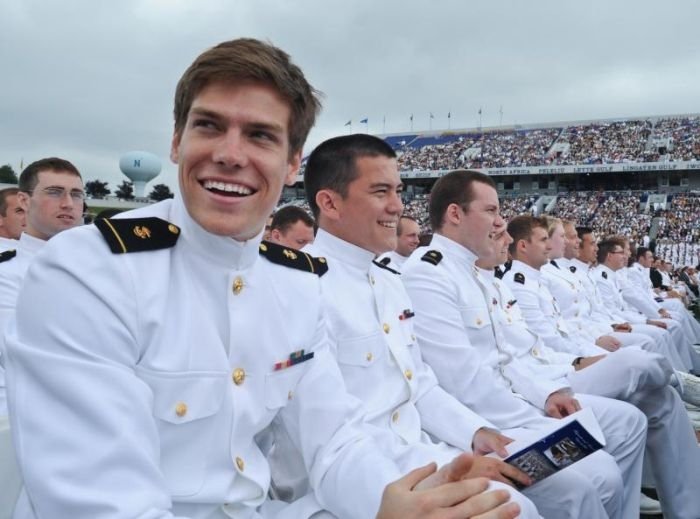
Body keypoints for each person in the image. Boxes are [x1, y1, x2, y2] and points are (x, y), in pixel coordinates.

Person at [4, 39, 514, 519]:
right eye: (209, 126)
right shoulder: (88, 271)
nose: (230, 153)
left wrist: (390, 502)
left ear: (293, 163)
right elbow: (102, 502)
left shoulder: (295, 283)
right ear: (177, 142)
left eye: (260, 136)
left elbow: (334, 440)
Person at [266, 134, 536, 518]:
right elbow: (331, 434)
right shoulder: (300, 285)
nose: (397, 206)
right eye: (380, 192)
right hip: (348, 484)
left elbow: (418, 383)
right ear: (329, 202)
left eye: (398, 190)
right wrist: (435, 478)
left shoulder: (389, 281)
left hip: (417, 455)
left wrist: (477, 433)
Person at [401, 170, 647, 519]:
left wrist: (545, 396)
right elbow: (461, 378)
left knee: (612, 451)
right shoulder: (429, 273)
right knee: (596, 475)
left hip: (510, 405)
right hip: (486, 416)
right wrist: (534, 419)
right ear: (455, 214)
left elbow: (507, 359)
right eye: (491, 211)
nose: (500, 222)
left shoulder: (472, 273)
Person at [502, 215, 700, 518]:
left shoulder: (532, 279)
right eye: (552, 238)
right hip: (554, 376)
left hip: (559, 368)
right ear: (525, 245)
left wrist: (582, 355)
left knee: (658, 399)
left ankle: (687, 507)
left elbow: (555, 335)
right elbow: (535, 347)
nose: (576, 243)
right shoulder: (515, 283)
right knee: (638, 359)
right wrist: (578, 360)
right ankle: (680, 381)